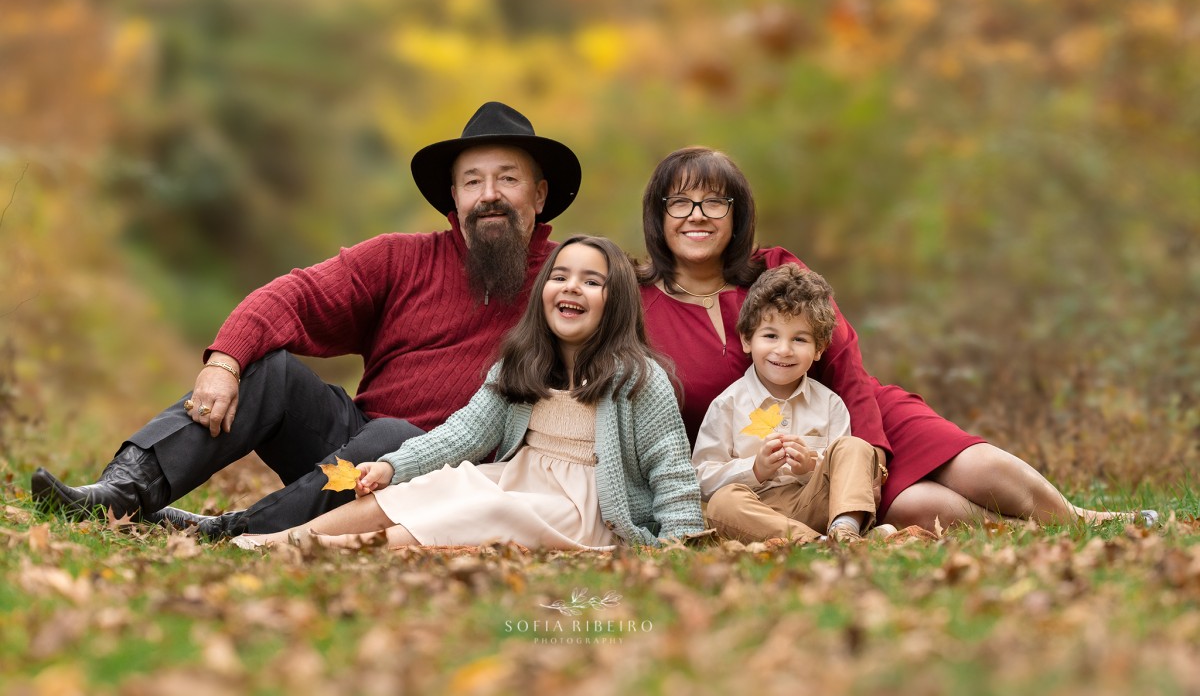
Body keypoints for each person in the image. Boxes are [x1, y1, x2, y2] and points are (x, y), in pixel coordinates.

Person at [31, 101, 584, 539]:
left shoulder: (572, 284)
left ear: (539, 196)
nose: (489, 196)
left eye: (508, 179)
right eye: (472, 182)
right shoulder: (401, 258)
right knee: (268, 370)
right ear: (453, 200)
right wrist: (224, 363)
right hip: (347, 457)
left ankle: (235, 531)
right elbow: (293, 296)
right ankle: (123, 491)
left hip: (451, 475)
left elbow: (650, 357)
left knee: (393, 436)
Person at [639, 146, 1156, 531]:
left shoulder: (774, 269)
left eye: (715, 202)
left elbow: (841, 354)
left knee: (973, 465)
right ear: (659, 215)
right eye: (680, 202)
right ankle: (1029, 533)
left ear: (738, 214)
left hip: (853, 416)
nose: (698, 215)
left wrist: (869, 448)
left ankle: (1084, 520)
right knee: (915, 507)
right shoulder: (637, 302)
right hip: (769, 467)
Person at [230, 235, 704, 550]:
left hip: (587, 509)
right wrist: (394, 466)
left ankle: (330, 551)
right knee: (443, 485)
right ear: (544, 291)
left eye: (592, 281)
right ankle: (291, 538)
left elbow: (671, 466)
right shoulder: (524, 363)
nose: (571, 287)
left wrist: (681, 542)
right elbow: (463, 434)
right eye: (560, 276)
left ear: (615, 300)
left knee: (490, 508)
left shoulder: (638, 379)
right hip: (519, 478)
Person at [695, 263, 891, 544]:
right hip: (758, 514)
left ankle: (845, 529)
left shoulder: (830, 404)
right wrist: (755, 469)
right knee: (722, 504)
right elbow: (702, 477)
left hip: (816, 505)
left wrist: (811, 465)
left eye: (799, 339)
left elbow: (847, 471)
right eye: (771, 336)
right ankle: (818, 543)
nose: (783, 350)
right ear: (747, 339)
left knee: (856, 447)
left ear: (820, 349)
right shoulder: (727, 405)